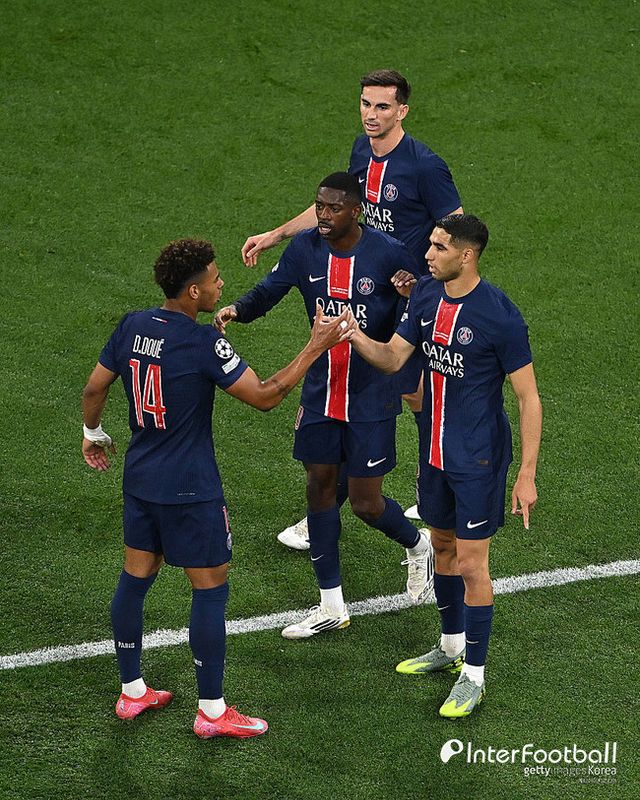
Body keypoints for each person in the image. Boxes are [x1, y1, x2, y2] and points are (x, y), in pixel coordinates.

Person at [81, 238, 352, 738]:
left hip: (140, 480)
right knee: (209, 589)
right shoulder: (203, 342)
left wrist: (92, 433)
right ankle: (211, 711)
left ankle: (132, 691)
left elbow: (94, 387)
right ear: (192, 291)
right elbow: (266, 396)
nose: (221, 284)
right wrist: (315, 346)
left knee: (135, 579)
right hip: (190, 488)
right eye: (214, 279)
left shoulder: (132, 325)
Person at [241, 69, 463, 549]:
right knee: (373, 398)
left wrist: (430, 286)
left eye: (383, 106)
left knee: (416, 393)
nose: (371, 115)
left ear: (402, 111)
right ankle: (330, 506)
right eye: (366, 104)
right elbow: (335, 208)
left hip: (407, 300)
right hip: (368, 296)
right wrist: (276, 234)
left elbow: (457, 231)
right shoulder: (362, 151)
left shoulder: (425, 166)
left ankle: (431, 496)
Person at [214, 173, 434, 639]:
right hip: (320, 392)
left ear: (356, 210)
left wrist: (410, 295)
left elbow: (422, 311)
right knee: (319, 488)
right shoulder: (305, 249)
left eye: (334, 208)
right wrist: (238, 309)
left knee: (366, 504)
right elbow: (271, 289)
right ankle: (331, 605)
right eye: (319, 206)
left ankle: (419, 545)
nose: (323, 215)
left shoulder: (390, 253)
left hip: (371, 397)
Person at [343, 214, 542, 717]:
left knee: (473, 565)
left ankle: (474, 674)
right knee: (444, 548)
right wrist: (351, 334)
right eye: (430, 244)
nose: (427, 254)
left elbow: (528, 398)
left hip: (477, 459)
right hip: (433, 454)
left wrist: (526, 474)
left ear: (466, 255)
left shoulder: (500, 315)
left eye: (438, 247)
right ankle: (451, 645)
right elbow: (393, 357)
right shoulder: (427, 296)